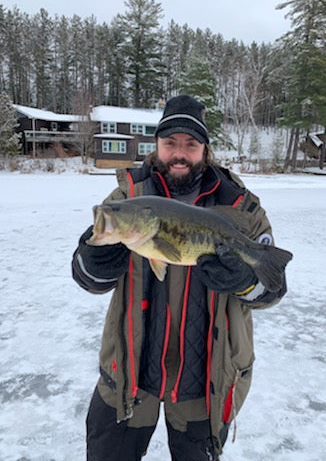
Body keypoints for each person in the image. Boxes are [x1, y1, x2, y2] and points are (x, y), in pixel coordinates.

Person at [72, 95, 288, 461]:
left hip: (205, 383)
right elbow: (86, 278)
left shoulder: (242, 207)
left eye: (191, 144)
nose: (179, 153)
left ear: (205, 148)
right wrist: (96, 257)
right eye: (170, 142)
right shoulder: (129, 198)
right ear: (156, 145)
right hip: (128, 376)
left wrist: (244, 282)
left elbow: (273, 289)